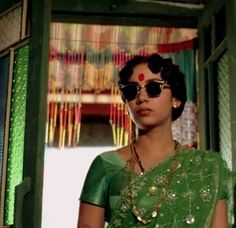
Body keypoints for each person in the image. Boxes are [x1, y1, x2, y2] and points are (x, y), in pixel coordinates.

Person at [77, 53, 235, 227]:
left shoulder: (206, 169)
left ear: (175, 99)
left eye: (153, 88)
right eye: (132, 90)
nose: (142, 98)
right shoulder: (106, 166)